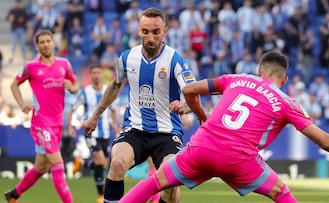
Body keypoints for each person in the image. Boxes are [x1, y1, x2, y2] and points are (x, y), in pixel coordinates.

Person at [118, 51, 329, 203]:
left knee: (155, 181)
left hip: (202, 147)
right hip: (239, 159)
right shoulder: (287, 102)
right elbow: (324, 141)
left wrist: (202, 114)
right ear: (284, 80)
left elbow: (189, 90)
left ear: (258, 71)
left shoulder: (236, 78)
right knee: (281, 192)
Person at [83, 7, 197, 203]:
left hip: (167, 133)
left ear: (165, 32)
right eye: (145, 32)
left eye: (155, 32)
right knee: (117, 163)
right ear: (138, 31)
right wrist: (95, 116)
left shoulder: (175, 61)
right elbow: (115, 86)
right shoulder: (127, 58)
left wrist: (184, 107)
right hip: (136, 129)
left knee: (170, 182)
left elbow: (192, 92)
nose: (150, 37)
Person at [5, 29, 79, 203]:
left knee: (41, 166)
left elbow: (75, 85)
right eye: (42, 42)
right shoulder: (30, 67)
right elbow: (14, 85)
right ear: (37, 46)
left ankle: (13, 195)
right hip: (41, 123)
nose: (45, 44)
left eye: (48, 41)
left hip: (57, 123)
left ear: (54, 42)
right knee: (58, 165)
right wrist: (22, 104)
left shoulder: (64, 65)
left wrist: (71, 87)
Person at [66, 64, 119, 203]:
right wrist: (70, 127)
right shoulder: (85, 92)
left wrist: (115, 125)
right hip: (91, 132)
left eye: (98, 73)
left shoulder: (108, 91)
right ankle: (101, 195)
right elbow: (71, 109)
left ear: (102, 75)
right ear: (91, 75)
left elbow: (114, 110)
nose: (96, 75)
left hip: (105, 133)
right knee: (101, 161)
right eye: (94, 73)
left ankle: (82, 163)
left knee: (102, 164)